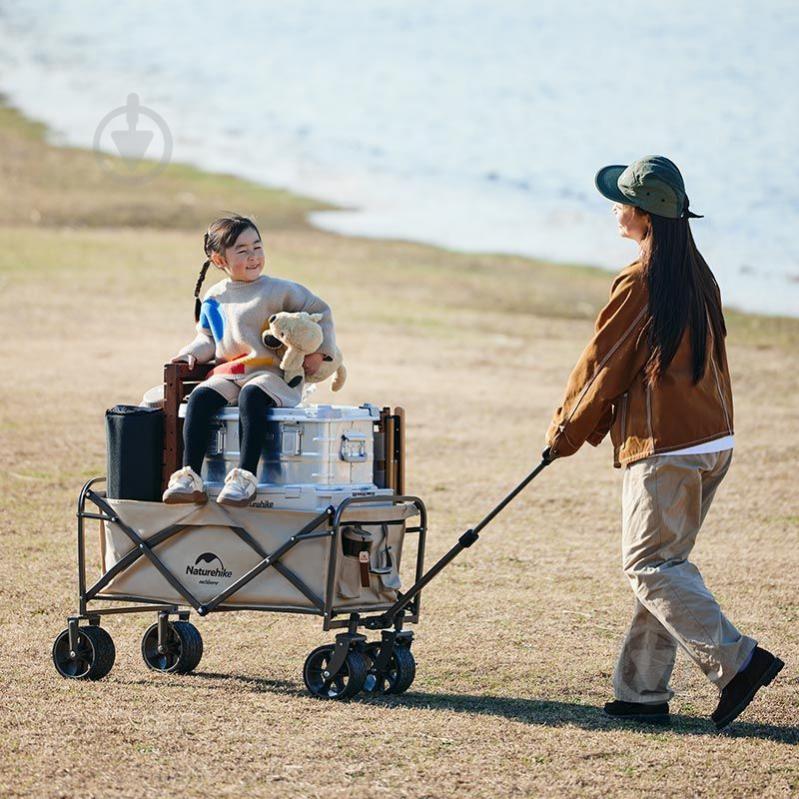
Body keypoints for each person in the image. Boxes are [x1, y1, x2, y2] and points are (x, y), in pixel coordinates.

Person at [544, 156, 783, 729]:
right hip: (711, 439)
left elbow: (602, 366)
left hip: (667, 447)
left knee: (650, 565)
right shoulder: (697, 272)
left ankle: (739, 661)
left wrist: (563, 435)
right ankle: (642, 693)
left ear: (644, 215)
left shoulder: (640, 280)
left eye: (621, 200)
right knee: (666, 565)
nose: (614, 208)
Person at [163, 214, 336, 507]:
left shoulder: (280, 290)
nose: (253, 256)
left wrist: (320, 352)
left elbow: (321, 312)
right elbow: (208, 338)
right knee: (200, 397)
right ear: (219, 260)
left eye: (257, 247)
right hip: (232, 373)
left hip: (272, 375)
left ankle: (244, 477)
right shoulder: (215, 298)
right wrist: (190, 353)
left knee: (252, 395)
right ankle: (189, 476)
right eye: (242, 251)